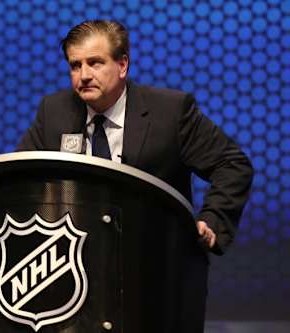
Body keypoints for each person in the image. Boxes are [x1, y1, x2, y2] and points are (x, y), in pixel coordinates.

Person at [17, 20, 253, 332]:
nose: (84, 75)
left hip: (159, 273)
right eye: (75, 65)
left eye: (95, 63)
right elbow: (20, 180)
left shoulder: (170, 111)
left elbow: (231, 163)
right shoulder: (54, 111)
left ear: (123, 64)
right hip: (77, 278)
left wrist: (212, 219)